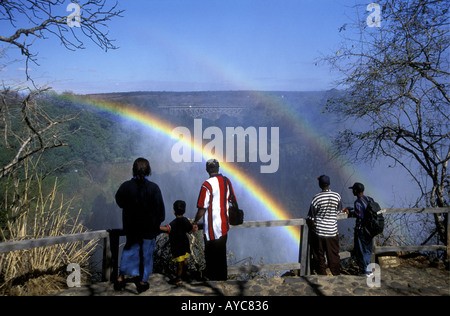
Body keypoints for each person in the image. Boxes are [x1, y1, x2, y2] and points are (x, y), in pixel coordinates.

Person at [114, 157, 165, 293]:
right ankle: (142, 282)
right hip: (148, 229)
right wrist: (156, 224)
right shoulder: (153, 188)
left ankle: (120, 278)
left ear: (133, 170)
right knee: (147, 254)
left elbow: (119, 201)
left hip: (131, 228)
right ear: (148, 171)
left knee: (129, 251)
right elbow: (161, 212)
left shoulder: (126, 186)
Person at [193, 159, 238, 281]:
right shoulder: (226, 181)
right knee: (221, 255)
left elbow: (202, 208)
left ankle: (212, 282)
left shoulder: (206, 185)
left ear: (207, 170)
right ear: (218, 168)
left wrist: (195, 222)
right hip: (224, 226)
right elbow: (233, 200)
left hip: (211, 229)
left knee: (211, 257)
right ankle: (222, 281)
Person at [307, 175, 343, 276]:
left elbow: (311, 218)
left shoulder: (316, 198)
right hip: (332, 231)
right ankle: (336, 274)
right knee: (334, 255)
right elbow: (339, 212)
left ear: (319, 184)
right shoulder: (337, 196)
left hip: (319, 232)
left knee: (319, 255)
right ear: (329, 183)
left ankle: (322, 275)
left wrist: (312, 229)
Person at [160, 200, 194, 286]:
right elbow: (190, 230)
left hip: (178, 246)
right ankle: (185, 275)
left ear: (174, 211)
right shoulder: (185, 220)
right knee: (185, 260)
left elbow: (167, 229)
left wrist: (156, 226)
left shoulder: (173, 223)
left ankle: (178, 278)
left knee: (179, 263)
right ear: (185, 210)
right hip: (185, 245)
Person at [347, 182, 374, 276]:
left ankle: (365, 271)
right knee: (368, 249)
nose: (352, 192)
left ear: (355, 191)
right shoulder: (369, 199)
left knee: (362, 250)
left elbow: (359, 215)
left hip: (362, 229)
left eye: (353, 190)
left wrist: (351, 211)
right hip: (371, 229)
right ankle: (367, 269)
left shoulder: (358, 202)